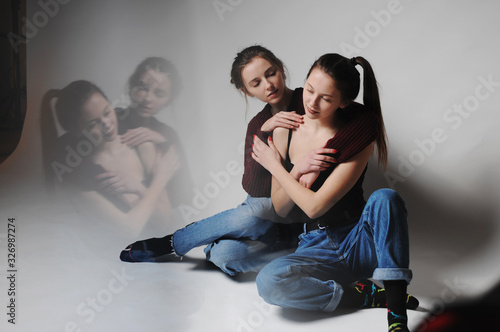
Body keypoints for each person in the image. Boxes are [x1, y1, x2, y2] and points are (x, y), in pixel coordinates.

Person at [251, 53, 414, 332]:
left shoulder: (356, 135)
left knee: (386, 197)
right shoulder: (285, 129)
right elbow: (280, 208)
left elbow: (315, 206)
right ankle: (361, 295)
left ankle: (396, 316)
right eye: (309, 90)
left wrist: (274, 167)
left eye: (325, 98)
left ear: (344, 102)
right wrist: (296, 169)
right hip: (315, 246)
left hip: (358, 239)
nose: (312, 102)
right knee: (268, 282)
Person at [41, 80, 180, 237]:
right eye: (93, 123)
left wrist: (138, 188)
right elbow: (129, 229)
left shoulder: (136, 136)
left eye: (107, 112)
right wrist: (160, 178)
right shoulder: (75, 172)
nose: (107, 124)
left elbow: (164, 220)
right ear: (77, 132)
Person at [109, 57, 193, 209]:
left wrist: (162, 141)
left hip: (160, 218)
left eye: (159, 94)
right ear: (131, 86)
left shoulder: (168, 134)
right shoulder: (110, 120)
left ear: (169, 100)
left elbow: (184, 195)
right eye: (142, 88)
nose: (147, 98)